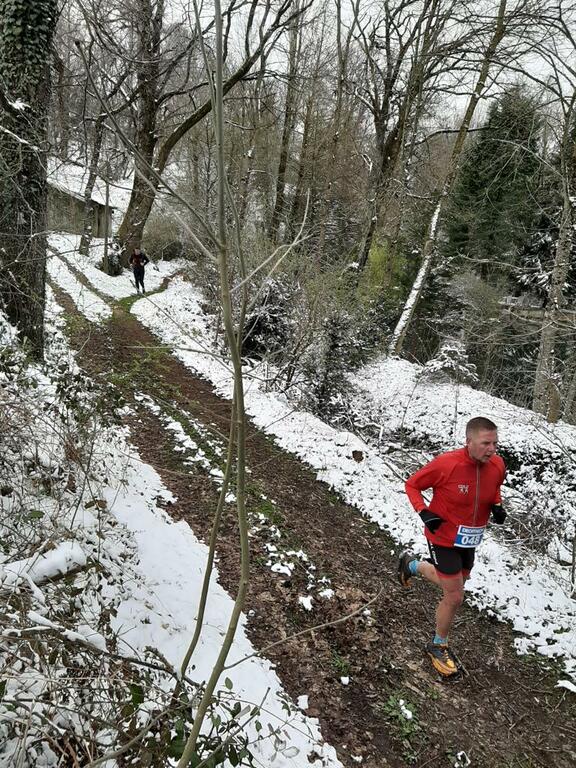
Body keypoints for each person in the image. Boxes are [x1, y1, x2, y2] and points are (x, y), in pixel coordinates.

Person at [399, 416, 506, 677]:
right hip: (442, 536)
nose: (492, 449)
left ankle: (411, 565)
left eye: (495, 443)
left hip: (470, 538)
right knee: (455, 596)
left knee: (456, 583)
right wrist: (424, 511)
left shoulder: (497, 464)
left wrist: (497, 505)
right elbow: (412, 484)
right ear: (469, 441)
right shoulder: (447, 464)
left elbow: (494, 488)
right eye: (486, 443)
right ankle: (438, 645)